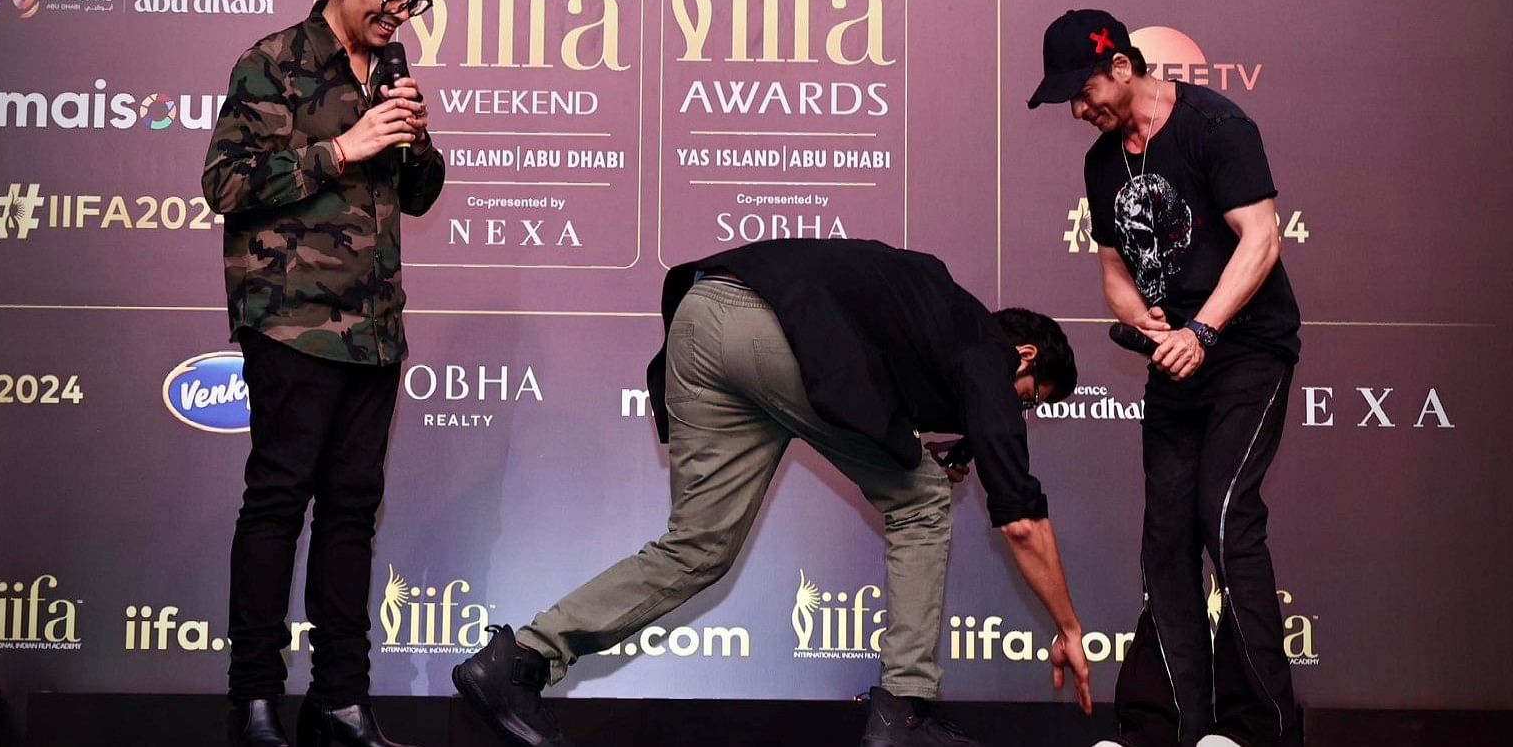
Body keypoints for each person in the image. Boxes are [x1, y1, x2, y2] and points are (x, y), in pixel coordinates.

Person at [452, 238, 1093, 747]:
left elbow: (876, 397)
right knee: (922, 502)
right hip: (776, 332)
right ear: (1025, 354)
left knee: (699, 547)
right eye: (1029, 399)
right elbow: (1020, 519)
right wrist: (1067, 626)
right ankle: (905, 713)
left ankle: (521, 661)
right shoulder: (985, 345)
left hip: (702, 318)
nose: (1017, 413)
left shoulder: (932, 320)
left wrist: (944, 448)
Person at [201, 0, 446, 747]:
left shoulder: (390, 69)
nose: (398, 15)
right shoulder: (273, 62)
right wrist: (342, 148)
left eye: (412, 2)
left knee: (352, 513)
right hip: (293, 324)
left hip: (375, 329)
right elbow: (226, 186)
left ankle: (343, 700)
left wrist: (408, 139)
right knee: (277, 505)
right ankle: (255, 699)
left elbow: (418, 194)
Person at [1028, 9, 1302, 747]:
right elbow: (1115, 274)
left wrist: (1202, 329)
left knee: (1222, 517)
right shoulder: (1102, 163)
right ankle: (1166, 725)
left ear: (1122, 66)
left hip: (1246, 350)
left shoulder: (1217, 126)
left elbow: (1262, 238)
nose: (1080, 111)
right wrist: (1148, 323)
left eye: (1083, 94)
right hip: (1175, 357)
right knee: (1166, 535)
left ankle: (1259, 730)